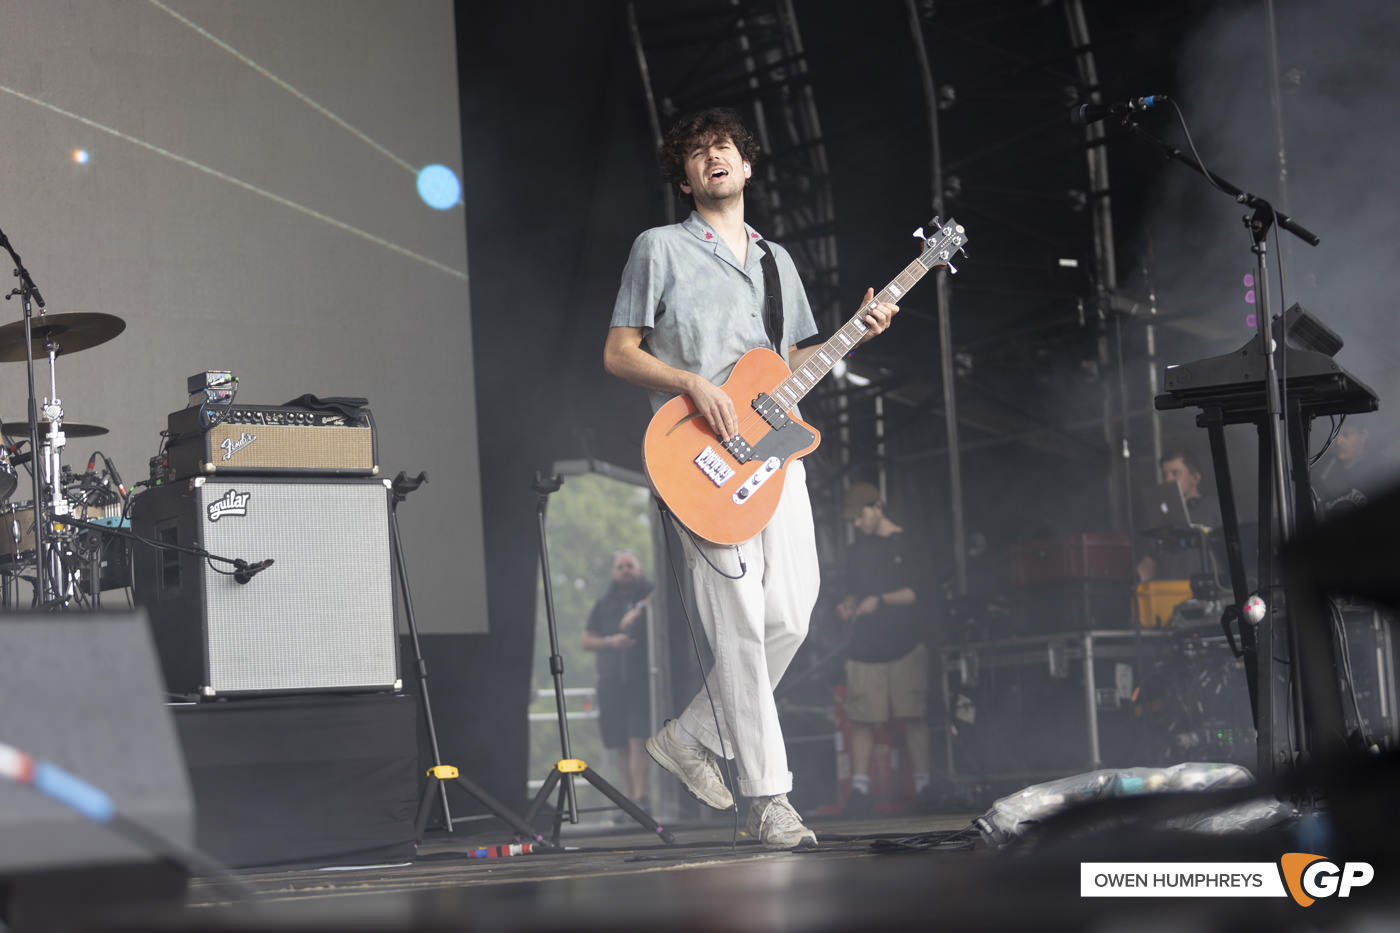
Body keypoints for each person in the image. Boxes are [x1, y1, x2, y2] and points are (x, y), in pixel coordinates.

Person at [602, 106, 901, 849]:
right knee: (736, 623)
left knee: (792, 613)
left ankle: (690, 735)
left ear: (747, 164)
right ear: (684, 177)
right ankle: (769, 798)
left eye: (725, 147)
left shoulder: (777, 262)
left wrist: (855, 334)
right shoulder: (659, 248)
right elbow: (618, 352)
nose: (714, 156)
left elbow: (791, 365)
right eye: (698, 151)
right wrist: (689, 382)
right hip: (698, 459)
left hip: (773, 454)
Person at [836, 481, 933, 816]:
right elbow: (851, 590)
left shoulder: (909, 543)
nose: (856, 524)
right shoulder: (855, 552)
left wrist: (879, 600)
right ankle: (860, 791)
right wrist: (848, 604)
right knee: (862, 720)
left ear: (878, 506)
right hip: (864, 648)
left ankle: (924, 786)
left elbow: (919, 592)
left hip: (906, 643)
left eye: (860, 516)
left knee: (915, 717)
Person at [580, 550, 654, 811]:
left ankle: (641, 798)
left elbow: (661, 595)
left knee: (638, 739)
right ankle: (629, 801)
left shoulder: (651, 597)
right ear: (614, 573)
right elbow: (586, 641)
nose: (625, 571)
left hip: (641, 681)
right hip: (611, 682)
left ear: (639, 570)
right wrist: (612, 642)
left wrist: (638, 611)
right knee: (620, 743)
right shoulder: (604, 604)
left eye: (630, 566)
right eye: (620, 567)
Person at [1137, 449, 1221, 583]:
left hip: (1206, 590)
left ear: (1195, 478)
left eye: (1175, 473)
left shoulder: (1215, 509)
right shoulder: (1161, 515)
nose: (1168, 479)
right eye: (1165, 474)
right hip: (1169, 591)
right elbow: (1149, 560)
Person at [1314, 421, 1370, 517]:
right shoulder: (1321, 469)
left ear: (1363, 435)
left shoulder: (1381, 471)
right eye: (1335, 435)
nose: (1338, 442)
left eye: (1346, 434)